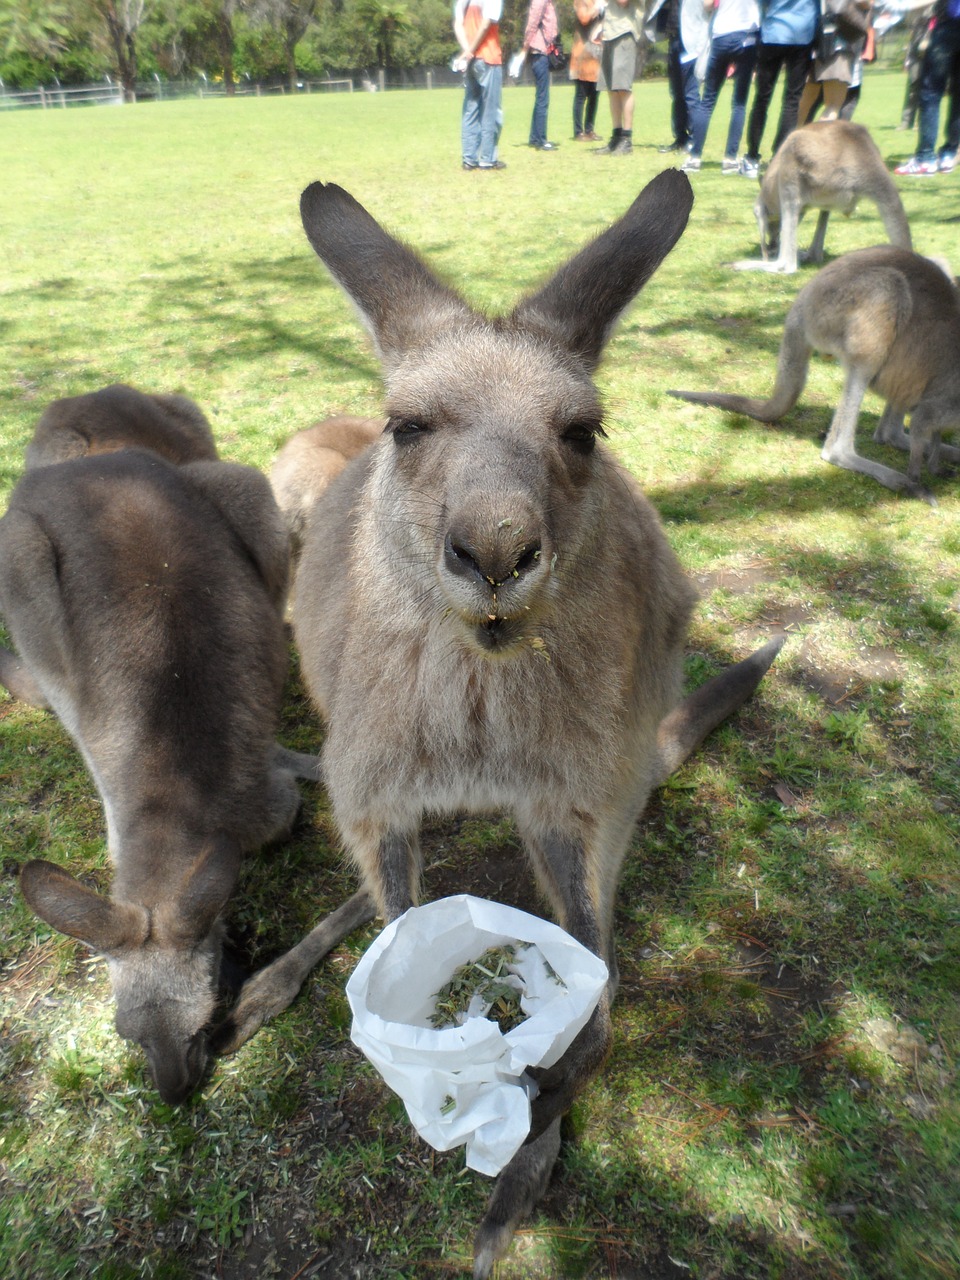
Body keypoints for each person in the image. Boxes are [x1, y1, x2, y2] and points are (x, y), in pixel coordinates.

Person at [740, 0, 819, 176]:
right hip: (803, 35)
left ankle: (752, 157)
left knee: (762, 98)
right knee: (792, 100)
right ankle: (779, 157)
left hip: (773, 32)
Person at [681, 0, 761, 172]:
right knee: (739, 103)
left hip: (722, 34)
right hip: (746, 34)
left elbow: (707, 4)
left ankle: (694, 156)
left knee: (708, 101)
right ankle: (730, 158)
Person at [896, 0, 960, 174]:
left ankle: (926, 158)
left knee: (930, 92)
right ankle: (949, 154)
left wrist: (902, 6)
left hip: (949, 27)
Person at [796, 0, 871, 125]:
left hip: (815, 40)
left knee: (805, 104)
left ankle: (794, 142)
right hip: (839, 43)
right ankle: (821, 144)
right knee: (832, 106)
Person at [454, 0, 507, 170]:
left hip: (471, 61)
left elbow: (457, 23)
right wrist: (471, 50)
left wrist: (467, 52)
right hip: (488, 57)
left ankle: (469, 159)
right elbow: (485, 24)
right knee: (491, 110)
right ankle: (487, 158)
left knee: (471, 108)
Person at [660, 0, 713, 153]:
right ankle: (680, 137)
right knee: (676, 93)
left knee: (690, 93)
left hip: (691, 42)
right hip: (675, 39)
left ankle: (695, 139)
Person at [594, 0, 645, 154]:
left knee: (623, 88)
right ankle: (616, 137)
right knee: (612, 88)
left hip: (624, 32)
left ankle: (626, 139)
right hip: (609, 33)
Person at [522, 0, 561, 149]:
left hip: (542, 52)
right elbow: (532, 23)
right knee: (543, 98)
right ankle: (540, 139)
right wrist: (524, 48)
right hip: (540, 52)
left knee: (541, 96)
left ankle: (535, 137)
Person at [571, 0, 604, 139]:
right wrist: (597, 7)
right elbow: (583, 18)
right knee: (581, 95)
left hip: (597, 54)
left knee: (595, 95)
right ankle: (578, 132)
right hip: (582, 54)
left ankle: (590, 129)